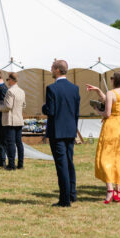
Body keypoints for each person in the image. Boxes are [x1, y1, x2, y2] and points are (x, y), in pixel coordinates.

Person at [43, 60, 80, 207]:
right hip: (70, 129)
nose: (51, 70)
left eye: (52, 68)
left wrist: (44, 107)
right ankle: (72, 194)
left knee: (61, 165)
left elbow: (50, 111)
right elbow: (76, 111)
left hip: (57, 131)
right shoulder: (74, 88)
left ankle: (64, 199)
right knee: (69, 162)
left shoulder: (52, 88)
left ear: (58, 70)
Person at [88, 72, 120, 204]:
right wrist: (99, 92)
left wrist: (97, 111)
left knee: (105, 157)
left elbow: (107, 113)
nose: (110, 80)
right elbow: (110, 100)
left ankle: (110, 190)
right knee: (118, 157)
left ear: (115, 80)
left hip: (110, 126)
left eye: (112, 78)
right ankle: (118, 190)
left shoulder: (111, 92)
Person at [0, 73, 26, 170]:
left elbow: (8, 106)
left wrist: (0, 107)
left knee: (10, 143)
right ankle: (20, 164)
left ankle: (11, 165)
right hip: (19, 119)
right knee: (19, 143)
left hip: (10, 121)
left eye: (8, 79)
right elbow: (24, 105)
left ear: (11, 80)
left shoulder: (10, 91)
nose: (7, 82)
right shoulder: (22, 91)